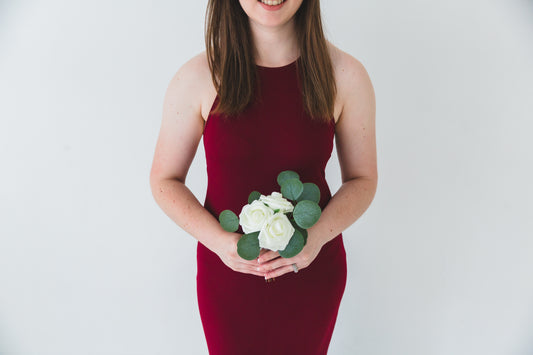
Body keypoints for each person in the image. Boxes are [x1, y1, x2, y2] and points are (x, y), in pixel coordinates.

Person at [149, 0, 377, 353]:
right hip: (228, 278)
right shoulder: (198, 76)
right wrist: (223, 245)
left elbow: (362, 179)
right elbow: (165, 180)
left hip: (310, 273)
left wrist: (313, 240)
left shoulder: (346, 75)